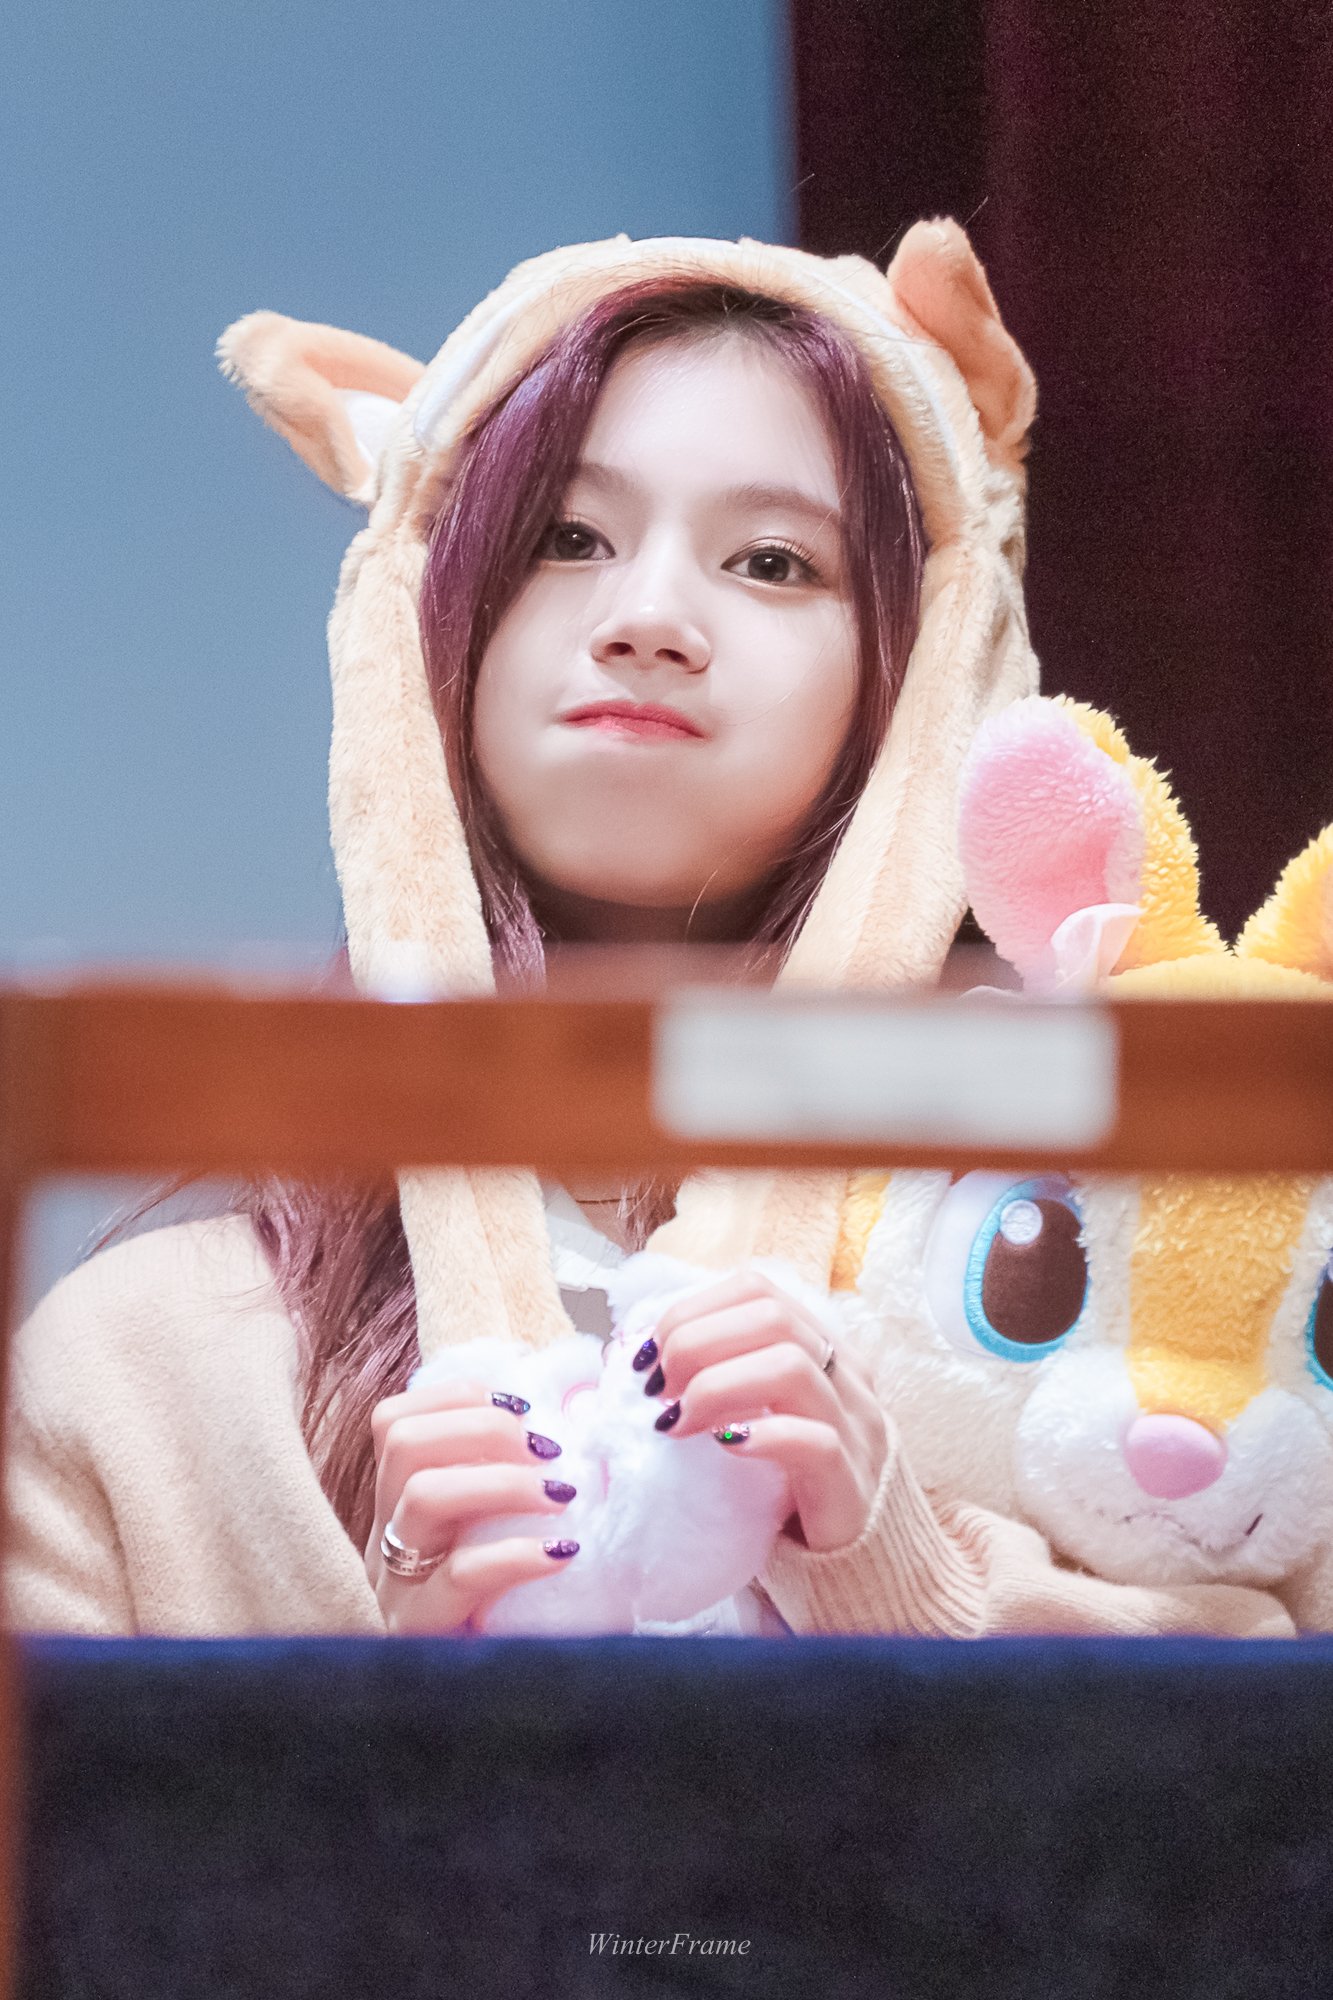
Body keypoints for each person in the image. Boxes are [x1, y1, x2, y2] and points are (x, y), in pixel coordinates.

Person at [3, 225, 1296, 1640]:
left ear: (924, 663)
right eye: (566, 539)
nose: (649, 619)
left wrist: (900, 1578)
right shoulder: (135, 1371)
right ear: (426, 622)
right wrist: (389, 1710)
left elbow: (1271, 1732)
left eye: (772, 561)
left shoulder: (1113, 1263)